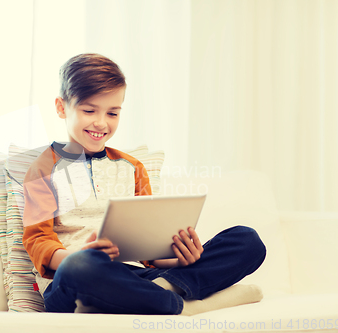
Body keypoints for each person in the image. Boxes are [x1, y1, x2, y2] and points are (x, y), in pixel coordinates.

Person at [22, 53, 266, 315]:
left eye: (112, 112)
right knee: (82, 265)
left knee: (246, 240)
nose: (101, 123)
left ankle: (162, 291)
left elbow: (148, 252)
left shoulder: (132, 168)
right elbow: (38, 242)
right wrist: (79, 255)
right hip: (73, 279)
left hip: (130, 277)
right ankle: (181, 301)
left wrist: (179, 256)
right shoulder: (44, 169)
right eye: (89, 110)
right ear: (61, 107)